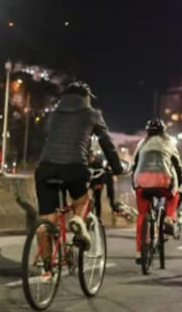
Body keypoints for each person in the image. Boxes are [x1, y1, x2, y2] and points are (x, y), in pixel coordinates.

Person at [35, 82, 124, 250]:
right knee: (83, 200)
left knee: (47, 220)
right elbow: (107, 143)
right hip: (74, 167)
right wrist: (117, 168)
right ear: (86, 98)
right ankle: (77, 221)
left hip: (45, 167)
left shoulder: (54, 114)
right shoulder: (92, 114)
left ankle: (46, 269)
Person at [132, 118, 182, 264]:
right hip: (163, 182)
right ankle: (168, 216)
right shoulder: (168, 143)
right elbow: (177, 164)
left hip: (141, 182)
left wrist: (134, 182)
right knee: (174, 195)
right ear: (163, 131)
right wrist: (181, 179)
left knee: (142, 215)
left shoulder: (142, 143)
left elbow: (134, 164)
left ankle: (139, 251)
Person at [88, 151, 120, 219]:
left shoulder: (98, 163)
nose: (90, 159)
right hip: (90, 183)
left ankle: (98, 216)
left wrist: (100, 184)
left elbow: (102, 174)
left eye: (91, 157)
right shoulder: (87, 165)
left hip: (98, 182)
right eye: (89, 158)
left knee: (98, 199)